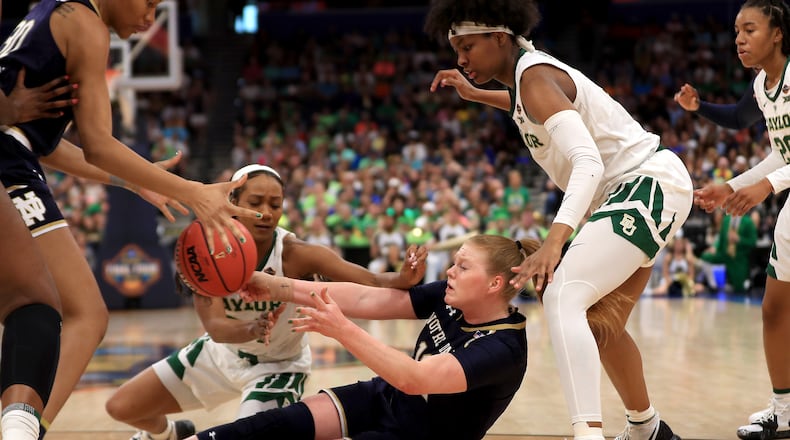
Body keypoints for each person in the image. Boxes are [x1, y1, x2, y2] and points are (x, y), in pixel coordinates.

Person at [425, 1, 693, 439]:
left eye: (468, 46)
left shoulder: (533, 77)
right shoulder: (527, 80)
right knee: (600, 327)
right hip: (637, 190)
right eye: (456, 49)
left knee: (562, 295)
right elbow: (522, 103)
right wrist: (477, 95)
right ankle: (647, 429)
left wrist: (554, 242)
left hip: (645, 184)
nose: (460, 59)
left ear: (499, 37)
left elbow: (587, 162)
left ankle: (587, 434)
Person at [0, 1, 264, 437]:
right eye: (149, 3)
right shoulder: (86, 24)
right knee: (69, 312)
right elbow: (100, 145)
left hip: (18, 152)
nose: (151, 16)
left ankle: (27, 424)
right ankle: (26, 428)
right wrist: (194, 192)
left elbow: (46, 144)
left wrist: (134, 181)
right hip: (10, 160)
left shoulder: (50, 12)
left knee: (74, 313)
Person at [105, 164, 428, 440]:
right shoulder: (203, 247)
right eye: (256, 202)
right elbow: (216, 328)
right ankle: (169, 434)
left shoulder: (296, 253)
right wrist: (252, 327)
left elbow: (368, 280)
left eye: (276, 204)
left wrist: (403, 278)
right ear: (231, 201)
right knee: (122, 407)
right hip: (220, 354)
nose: (267, 212)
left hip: (278, 366)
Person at [183, 234, 536, 440]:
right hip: (387, 398)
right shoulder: (450, 295)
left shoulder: (503, 347)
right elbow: (368, 297)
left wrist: (342, 329)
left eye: (462, 266)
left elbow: (416, 379)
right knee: (274, 427)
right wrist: (276, 286)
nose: (450, 272)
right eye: (454, 263)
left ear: (495, 284)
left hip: (421, 436)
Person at [674, 1, 790, 437]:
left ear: (777, 32)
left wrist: (768, 187)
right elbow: (768, 141)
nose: (739, 38)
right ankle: (784, 412)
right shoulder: (764, 84)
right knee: (775, 310)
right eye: (736, 31)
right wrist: (735, 184)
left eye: (750, 29)